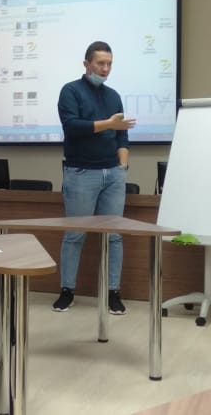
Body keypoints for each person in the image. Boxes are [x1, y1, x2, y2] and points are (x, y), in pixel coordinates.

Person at [53, 40, 136, 314]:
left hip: (113, 174)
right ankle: (67, 291)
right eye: (100, 63)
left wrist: (122, 165)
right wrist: (108, 124)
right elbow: (72, 127)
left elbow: (122, 136)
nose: (105, 68)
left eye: (109, 63)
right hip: (81, 173)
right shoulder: (71, 91)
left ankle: (113, 292)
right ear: (86, 63)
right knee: (75, 235)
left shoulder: (114, 96)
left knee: (114, 236)